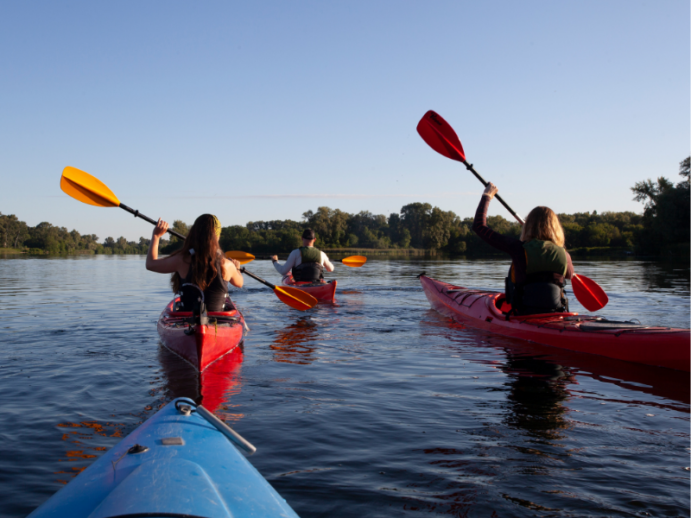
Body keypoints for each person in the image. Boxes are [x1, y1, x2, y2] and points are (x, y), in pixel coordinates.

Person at [472, 183, 574, 315]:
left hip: (524, 314)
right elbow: (570, 275)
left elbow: (479, 226)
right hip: (556, 314)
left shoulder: (518, 248)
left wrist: (487, 196)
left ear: (528, 226)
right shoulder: (565, 255)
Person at [145, 214, 243, 312]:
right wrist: (236, 268)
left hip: (188, 322)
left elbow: (150, 264)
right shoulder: (227, 265)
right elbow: (240, 283)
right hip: (218, 322)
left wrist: (156, 236)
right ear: (217, 236)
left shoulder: (182, 260)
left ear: (194, 233)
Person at [270, 228, 335, 283]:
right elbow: (331, 269)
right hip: (316, 284)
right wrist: (326, 261)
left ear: (302, 238)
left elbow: (283, 271)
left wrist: (275, 261)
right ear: (314, 239)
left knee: (287, 275)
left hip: (300, 286)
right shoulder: (322, 254)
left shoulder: (295, 253)